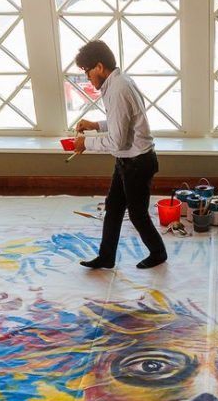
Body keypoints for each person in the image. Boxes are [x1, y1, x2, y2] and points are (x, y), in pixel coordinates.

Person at [71, 40, 167, 270]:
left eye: (87, 72)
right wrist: (96, 125)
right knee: (113, 208)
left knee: (137, 215)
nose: (87, 78)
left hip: (138, 162)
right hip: (128, 159)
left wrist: (86, 143)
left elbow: (117, 141)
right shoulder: (119, 83)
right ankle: (106, 257)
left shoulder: (119, 89)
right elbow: (121, 123)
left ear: (99, 66)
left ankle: (158, 252)